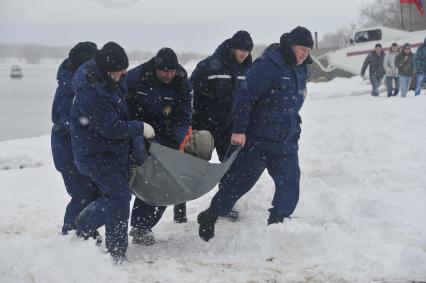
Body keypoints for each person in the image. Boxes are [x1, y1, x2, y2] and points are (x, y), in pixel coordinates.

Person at [197, 26, 314, 241]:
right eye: (301, 49)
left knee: (290, 182)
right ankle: (211, 215)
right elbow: (245, 97)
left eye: (308, 50)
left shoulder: (302, 69)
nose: (305, 54)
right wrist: (240, 130)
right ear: (290, 46)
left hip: (286, 140)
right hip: (259, 140)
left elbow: (295, 101)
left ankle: (277, 225)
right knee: (238, 184)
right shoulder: (268, 65)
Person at [70, 42, 154, 263]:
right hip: (95, 154)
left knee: (116, 196)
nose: (124, 74)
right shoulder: (91, 92)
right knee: (119, 196)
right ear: (107, 70)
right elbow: (111, 128)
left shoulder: (107, 76)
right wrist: (140, 127)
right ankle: (116, 252)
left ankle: (84, 225)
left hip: (112, 152)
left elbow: (123, 90)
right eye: (120, 71)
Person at [125, 48, 192, 245]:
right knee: (122, 183)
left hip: (164, 137)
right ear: (155, 68)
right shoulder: (136, 78)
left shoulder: (181, 83)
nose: (169, 75)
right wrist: (135, 135)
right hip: (134, 133)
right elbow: (122, 107)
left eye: (172, 71)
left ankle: (141, 227)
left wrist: (168, 145)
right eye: (164, 71)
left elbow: (183, 118)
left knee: (162, 183)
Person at [190, 30, 254, 220]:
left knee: (231, 167)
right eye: (241, 50)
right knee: (194, 166)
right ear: (233, 48)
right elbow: (189, 94)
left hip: (231, 128)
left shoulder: (249, 71)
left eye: (247, 51)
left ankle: (225, 205)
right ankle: (180, 206)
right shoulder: (208, 66)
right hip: (205, 126)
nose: (244, 54)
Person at [50, 41, 98, 235]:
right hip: (67, 151)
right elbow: (71, 122)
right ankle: (70, 234)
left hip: (80, 151)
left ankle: (83, 231)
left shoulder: (83, 81)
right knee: (82, 195)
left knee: (91, 193)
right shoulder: (69, 89)